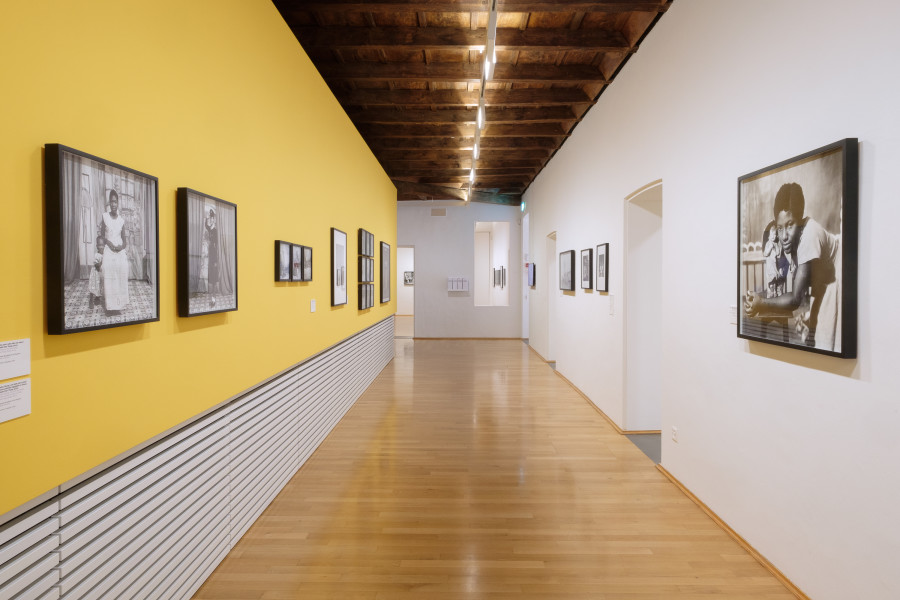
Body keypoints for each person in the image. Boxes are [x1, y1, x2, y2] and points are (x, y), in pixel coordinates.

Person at [744, 182, 841, 350]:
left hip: (838, 281)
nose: (784, 236)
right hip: (822, 287)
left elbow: (795, 299)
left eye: (790, 225)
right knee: (815, 342)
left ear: (801, 221)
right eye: (780, 228)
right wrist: (759, 298)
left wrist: (761, 303)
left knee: (826, 346)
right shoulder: (788, 240)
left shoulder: (810, 234)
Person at [99, 189, 129, 312]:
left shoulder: (121, 220)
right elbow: (101, 237)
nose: (113, 204)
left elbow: (125, 242)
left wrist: (120, 248)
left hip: (118, 249)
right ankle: (110, 304)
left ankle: (120, 303)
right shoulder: (105, 217)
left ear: (118, 203)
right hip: (108, 247)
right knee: (108, 266)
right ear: (109, 203)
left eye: (115, 202)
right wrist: (109, 243)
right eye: (111, 202)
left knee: (123, 266)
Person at [203, 208, 220, 307]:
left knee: (214, 277)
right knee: (211, 277)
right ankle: (212, 299)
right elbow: (206, 225)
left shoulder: (216, 230)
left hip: (214, 256)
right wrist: (206, 217)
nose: (211, 220)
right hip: (210, 255)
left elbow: (216, 246)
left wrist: (216, 260)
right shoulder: (209, 228)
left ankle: (214, 299)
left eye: (213, 218)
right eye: (211, 218)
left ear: (215, 220)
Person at [87, 235, 104, 309]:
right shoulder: (96, 255)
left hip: (101, 273)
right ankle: (91, 299)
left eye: (103, 245)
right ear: (97, 246)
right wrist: (102, 261)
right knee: (93, 286)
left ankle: (97, 297)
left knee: (100, 286)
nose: (101, 247)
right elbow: (97, 266)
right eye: (99, 245)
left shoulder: (105, 254)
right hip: (95, 274)